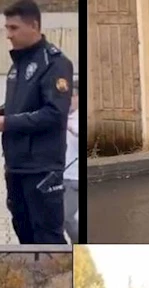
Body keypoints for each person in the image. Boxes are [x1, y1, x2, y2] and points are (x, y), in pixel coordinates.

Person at [0, 0, 73, 244]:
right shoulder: (17, 65)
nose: (8, 35)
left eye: (13, 28)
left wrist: (8, 123)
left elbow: (55, 113)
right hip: (16, 166)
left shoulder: (55, 64)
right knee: (24, 234)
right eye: (7, 28)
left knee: (47, 237)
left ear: (33, 25)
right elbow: (24, 104)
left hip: (42, 168)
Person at [63, 77, 79, 243]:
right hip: (59, 175)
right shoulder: (66, 115)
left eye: (71, 96)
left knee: (66, 217)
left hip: (74, 178)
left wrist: (67, 125)